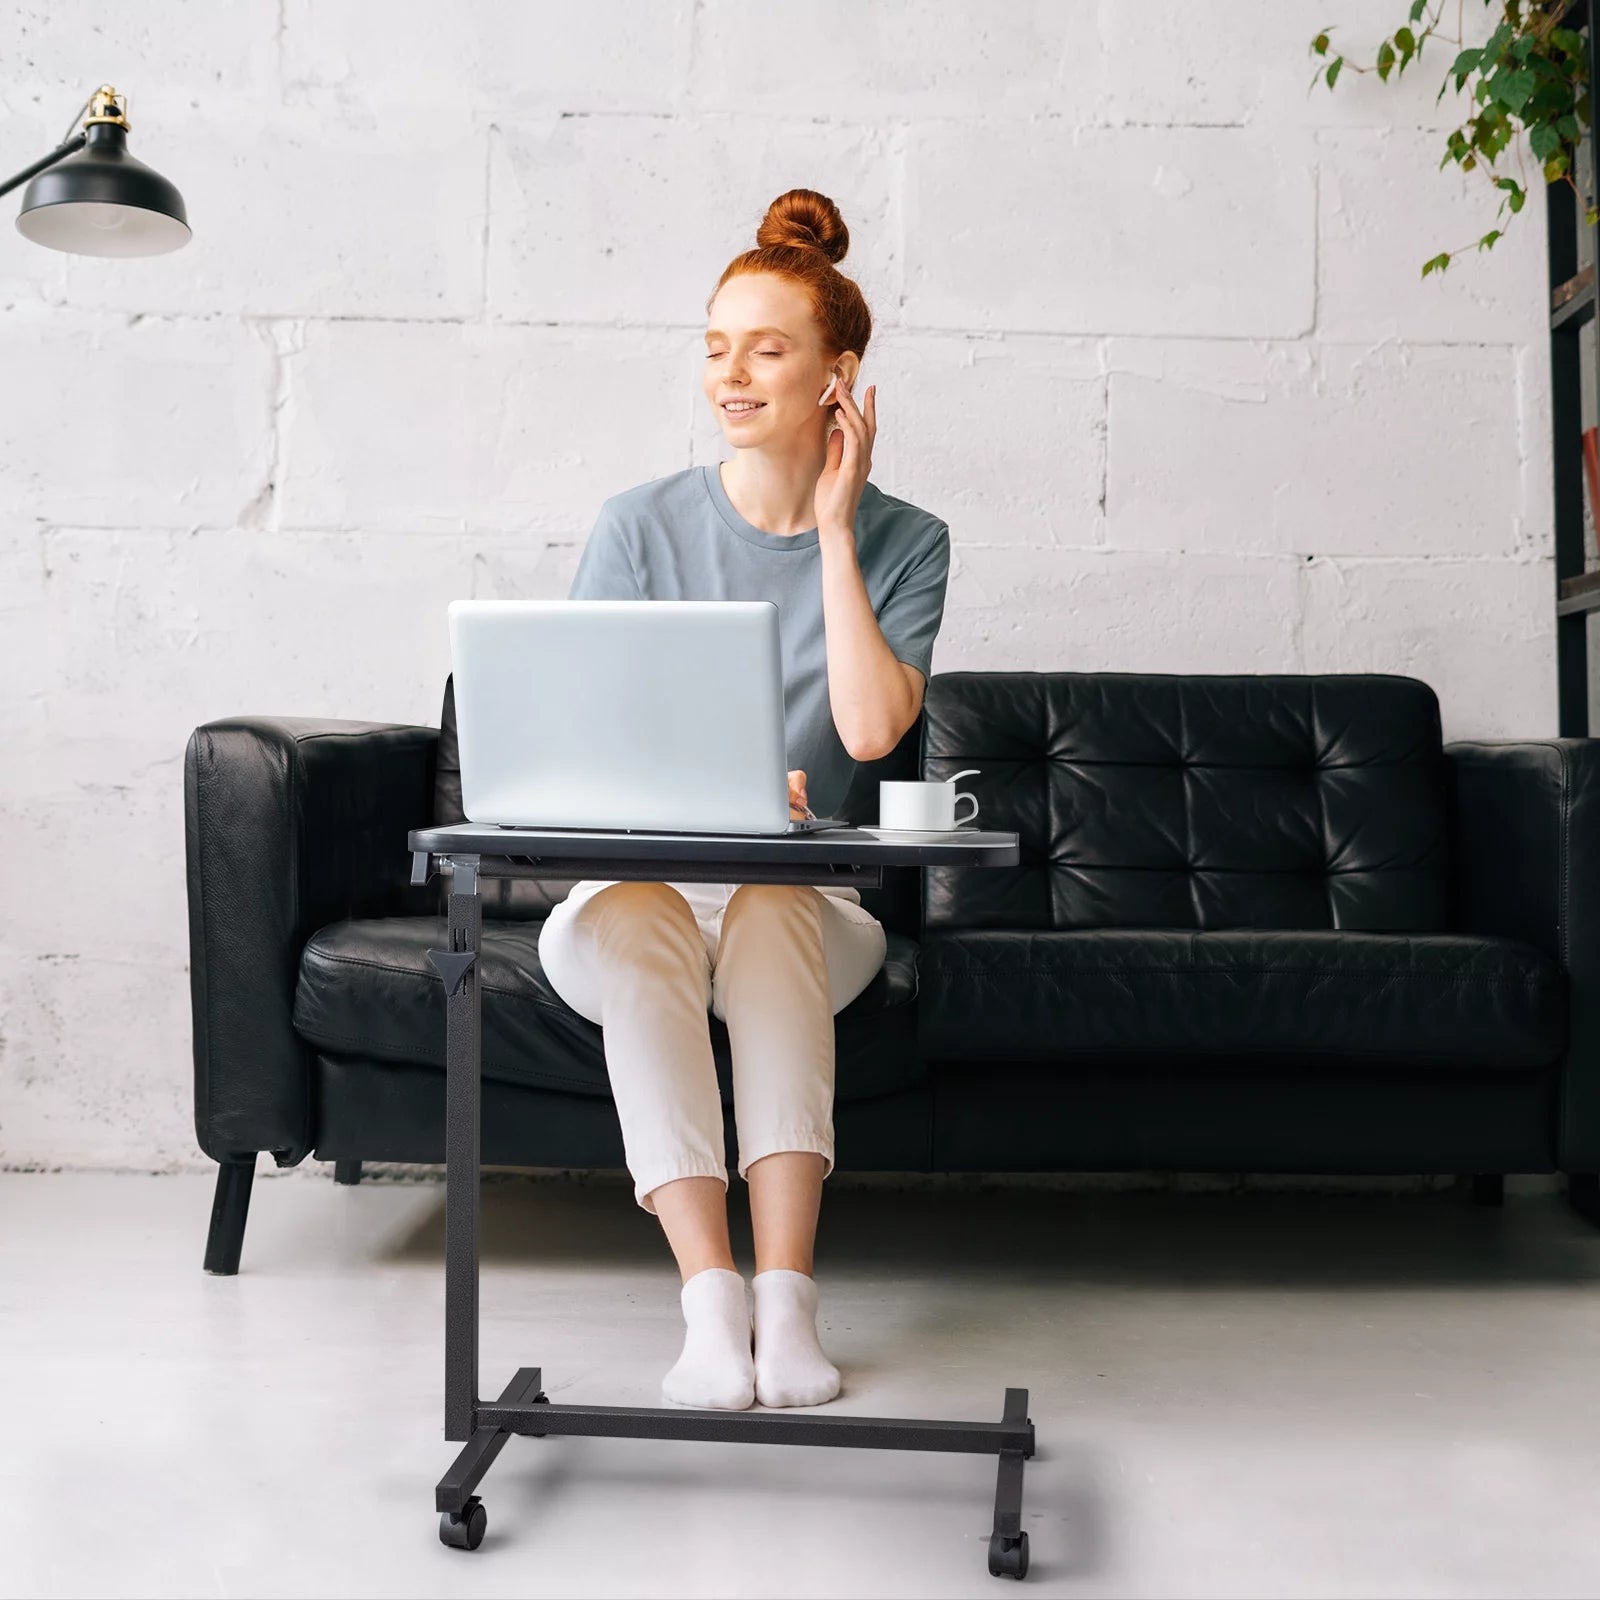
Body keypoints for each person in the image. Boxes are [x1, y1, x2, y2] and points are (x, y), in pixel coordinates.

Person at [536, 187, 950, 1411]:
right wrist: (698, 788)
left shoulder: (906, 538)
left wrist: (831, 531)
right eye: (717, 346)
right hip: (641, 889)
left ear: (838, 372)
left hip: (808, 901)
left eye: (767, 348)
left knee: (772, 898)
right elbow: (574, 744)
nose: (732, 373)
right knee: (638, 912)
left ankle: (787, 1297)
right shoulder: (637, 525)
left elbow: (873, 731)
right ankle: (708, 1301)